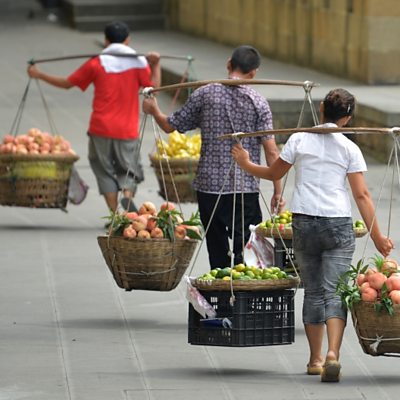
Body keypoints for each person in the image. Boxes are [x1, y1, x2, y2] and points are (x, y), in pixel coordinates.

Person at [231, 88, 394, 382]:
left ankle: (315, 359)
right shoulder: (349, 148)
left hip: (304, 223)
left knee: (314, 291)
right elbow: (362, 195)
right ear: (347, 119)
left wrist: (245, 163)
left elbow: (274, 173)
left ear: (321, 108)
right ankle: (333, 354)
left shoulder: (299, 139)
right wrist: (378, 237)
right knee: (335, 291)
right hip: (337, 224)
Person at [142, 45, 284, 269]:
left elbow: (170, 125)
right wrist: (277, 191)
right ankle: (243, 288)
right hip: (244, 188)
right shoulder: (258, 102)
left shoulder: (204, 94)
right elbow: (272, 151)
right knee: (248, 251)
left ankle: (220, 288)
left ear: (228, 64)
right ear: (253, 73)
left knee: (216, 250)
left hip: (209, 187)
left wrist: (154, 110)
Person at [27, 20, 161, 213]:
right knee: (129, 169)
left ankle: (116, 216)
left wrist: (39, 74)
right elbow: (154, 90)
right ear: (128, 40)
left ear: (106, 41)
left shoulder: (96, 63)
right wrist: (156, 65)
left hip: (100, 127)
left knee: (104, 171)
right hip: (127, 129)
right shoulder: (138, 64)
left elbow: (67, 83)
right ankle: (127, 195)